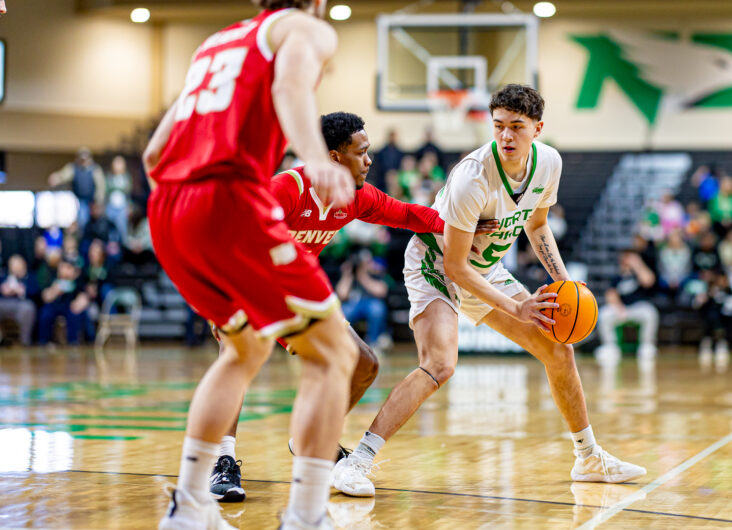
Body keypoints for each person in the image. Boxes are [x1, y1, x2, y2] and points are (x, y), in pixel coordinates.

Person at [332, 84, 646, 498]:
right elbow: (455, 267)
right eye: (499, 126)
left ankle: (588, 458)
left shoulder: (548, 163)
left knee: (558, 349)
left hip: (484, 268)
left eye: (517, 127)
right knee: (440, 363)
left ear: (538, 129)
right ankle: (356, 462)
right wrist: (517, 308)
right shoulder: (473, 178)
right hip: (435, 265)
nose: (506, 137)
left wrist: (564, 282)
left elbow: (536, 225)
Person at [206, 111, 496, 503]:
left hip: (297, 291)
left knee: (365, 363)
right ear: (334, 157)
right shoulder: (287, 188)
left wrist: (460, 224)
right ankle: (221, 461)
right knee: (238, 356)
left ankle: (315, 436)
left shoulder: (355, 197)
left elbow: (408, 214)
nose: (370, 160)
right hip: (249, 283)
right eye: (361, 153)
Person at [144, 2, 357, 529]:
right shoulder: (305, 28)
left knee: (244, 347)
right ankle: (308, 515)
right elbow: (290, 89)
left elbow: (154, 153)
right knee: (334, 353)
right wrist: (312, 157)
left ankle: (190, 504)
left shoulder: (216, 44)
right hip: (229, 198)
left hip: (169, 208)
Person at [595, 248, 660, 365]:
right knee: (604, 314)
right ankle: (610, 346)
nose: (627, 259)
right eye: (625, 257)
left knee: (650, 313)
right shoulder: (616, 276)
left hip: (638, 308)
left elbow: (648, 281)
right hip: (621, 309)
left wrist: (638, 265)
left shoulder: (639, 273)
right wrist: (620, 308)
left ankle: (646, 345)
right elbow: (610, 295)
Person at [48, 147, 106, 232]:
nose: (84, 161)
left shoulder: (95, 169)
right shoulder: (73, 168)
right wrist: (56, 178)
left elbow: (101, 186)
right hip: (78, 200)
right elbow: (63, 175)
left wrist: (99, 201)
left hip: (92, 201)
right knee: (81, 220)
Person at [0, 255, 38, 346]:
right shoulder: (3, 277)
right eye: (13, 264)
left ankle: (25, 341)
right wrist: (3, 290)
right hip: (4, 302)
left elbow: (36, 292)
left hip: (22, 303)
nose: (16, 267)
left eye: (18, 264)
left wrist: (22, 290)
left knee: (28, 308)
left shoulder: (30, 277)